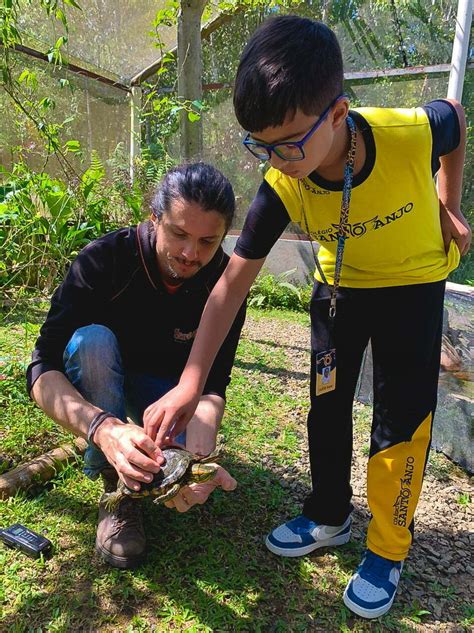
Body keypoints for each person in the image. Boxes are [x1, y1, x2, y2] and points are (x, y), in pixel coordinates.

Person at [142, 16, 471, 619]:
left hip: (413, 287)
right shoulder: (282, 183)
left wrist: (448, 206)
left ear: (339, 113)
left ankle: (388, 548)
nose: (277, 160)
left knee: (400, 420)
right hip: (339, 289)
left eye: (289, 142)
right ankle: (328, 513)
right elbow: (229, 286)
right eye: (260, 145)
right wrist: (191, 382)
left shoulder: (408, 132)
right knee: (327, 404)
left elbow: (456, 116)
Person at [27, 162, 245, 569]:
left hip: (168, 396)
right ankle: (115, 486)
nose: (189, 254)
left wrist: (199, 446)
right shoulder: (103, 261)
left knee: (186, 438)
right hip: (101, 384)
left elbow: (214, 384)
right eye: (178, 233)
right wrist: (104, 430)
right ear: (154, 217)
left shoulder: (225, 284)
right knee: (91, 342)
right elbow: (41, 369)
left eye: (207, 241)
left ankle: (159, 463)